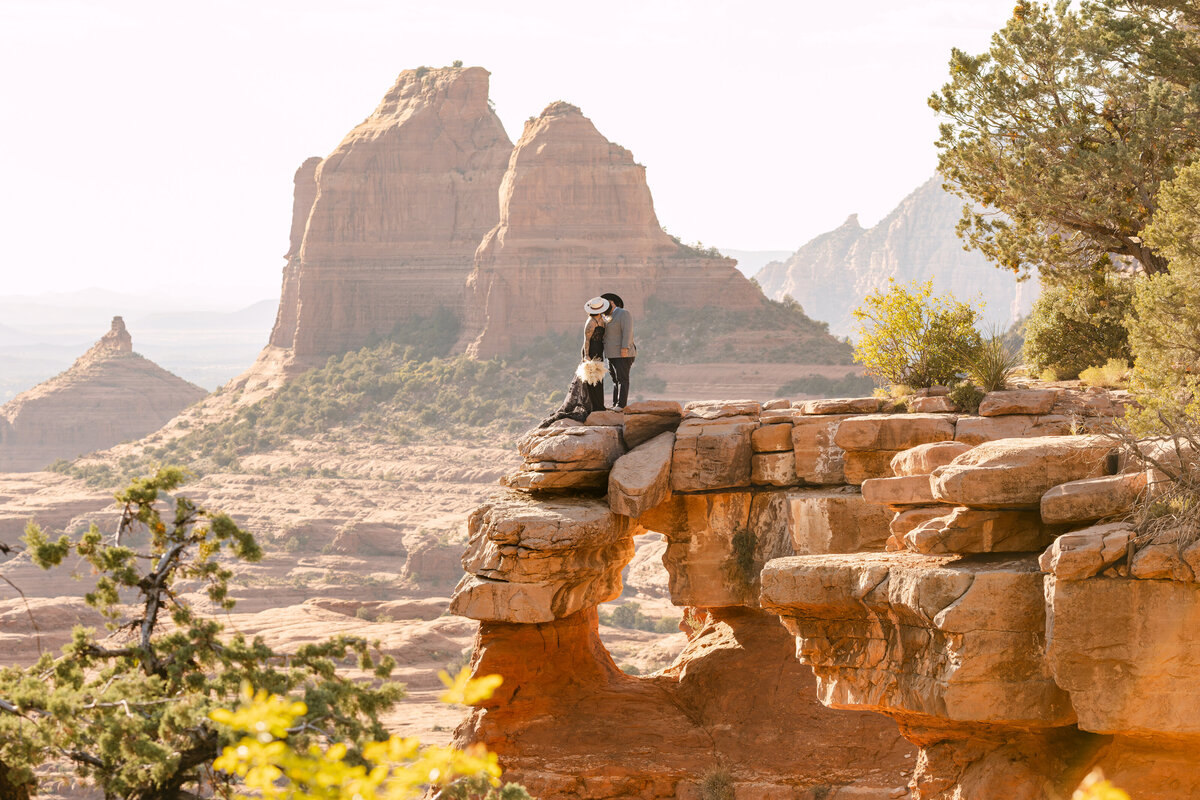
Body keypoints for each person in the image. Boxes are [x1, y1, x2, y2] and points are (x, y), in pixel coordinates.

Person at [535, 297, 611, 428]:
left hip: (599, 350)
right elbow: (586, 341)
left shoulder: (601, 320)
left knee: (598, 378)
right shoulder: (590, 322)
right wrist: (586, 356)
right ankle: (593, 406)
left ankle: (599, 405)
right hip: (591, 351)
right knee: (590, 379)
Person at [601, 292, 635, 409]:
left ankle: (621, 405)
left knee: (622, 379)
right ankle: (615, 404)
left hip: (622, 353)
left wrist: (624, 348)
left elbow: (627, 332)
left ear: (611, 303)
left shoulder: (623, 313)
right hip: (611, 354)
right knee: (615, 380)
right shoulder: (607, 317)